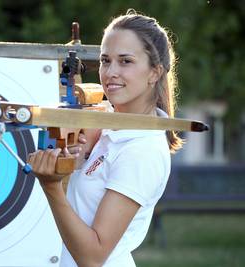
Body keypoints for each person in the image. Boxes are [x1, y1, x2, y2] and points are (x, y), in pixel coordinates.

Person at [27, 9, 183, 267]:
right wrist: (81, 155)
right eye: (105, 60)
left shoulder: (141, 150)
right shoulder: (110, 129)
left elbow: (92, 256)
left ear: (154, 73)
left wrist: (51, 186)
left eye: (126, 61)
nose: (110, 72)